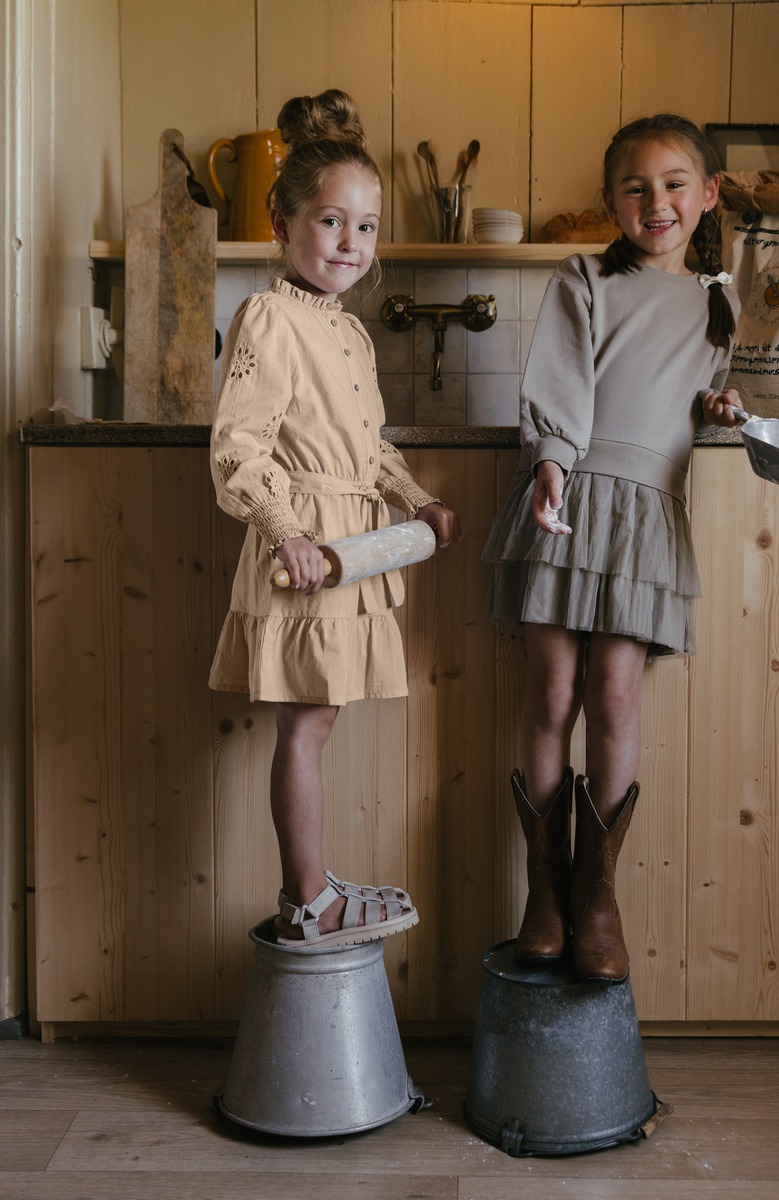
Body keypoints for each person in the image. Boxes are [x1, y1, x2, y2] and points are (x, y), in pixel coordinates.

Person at [483, 114, 742, 983]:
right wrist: (551, 467)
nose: (655, 201)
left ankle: (597, 893)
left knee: (615, 695)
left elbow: (695, 391)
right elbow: (559, 381)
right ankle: (544, 888)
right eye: (635, 187)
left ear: (708, 195)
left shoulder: (718, 298)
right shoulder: (584, 276)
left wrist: (717, 407)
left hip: (646, 516)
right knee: (551, 689)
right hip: (568, 494)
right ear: (610, 201)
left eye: (674, 184)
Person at [209, 89, 461, 950]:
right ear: (282, 223)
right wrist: (286, 533)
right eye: (330, 221)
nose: (351, 242)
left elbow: (367, 449)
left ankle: (310, 890)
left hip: (351, 549)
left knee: (317, 724)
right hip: (308, 552)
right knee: (306, 728)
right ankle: (307, 899)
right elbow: (239, 449)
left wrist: (415, 500)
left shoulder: (350, 334)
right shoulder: (268, 317)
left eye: (366, 226)